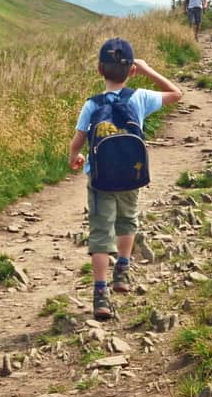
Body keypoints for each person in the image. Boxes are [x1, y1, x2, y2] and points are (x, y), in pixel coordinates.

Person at [68, 38, 183, 320]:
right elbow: (176, 93)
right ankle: (122, 270)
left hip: (100, 179)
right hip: (132, 175)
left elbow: (78, 142)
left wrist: (75, 158)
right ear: (131, 71)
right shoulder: (140, 97)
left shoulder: (91, 105)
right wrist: (147, 70)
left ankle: (100, 295)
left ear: (99, 70)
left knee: (100, 231)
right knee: (128, 220)